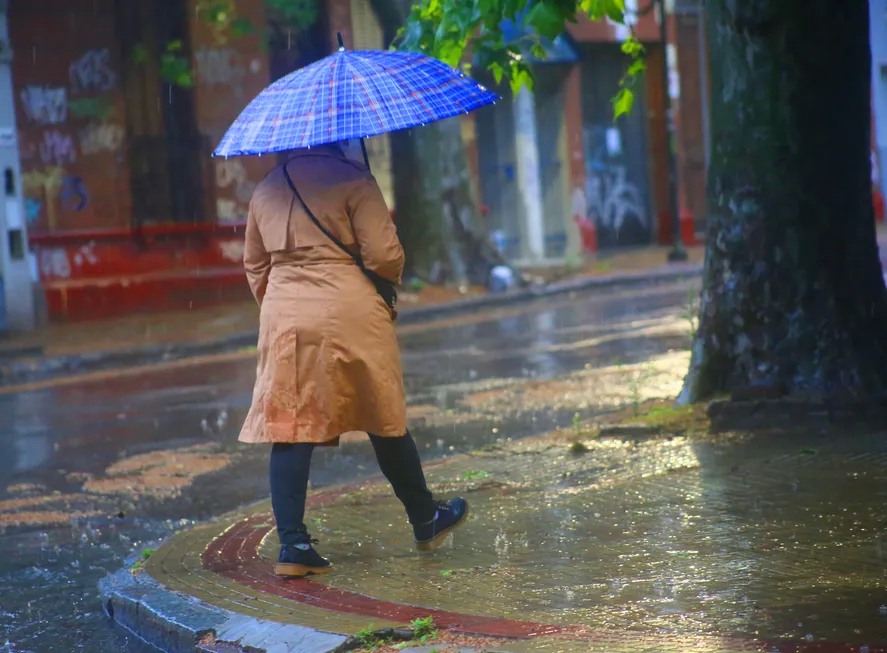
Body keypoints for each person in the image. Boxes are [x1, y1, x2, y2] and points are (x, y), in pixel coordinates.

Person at [240, 141, 468, 578]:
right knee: (382, 413)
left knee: (290, 425)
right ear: (338, 137)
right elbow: (383, 256)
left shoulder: (266, 188)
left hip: (284, 316)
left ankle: (293, 545)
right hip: (350, 310)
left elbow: (255, 264)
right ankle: (425, 519)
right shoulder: (353, 181)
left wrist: (283, 303)